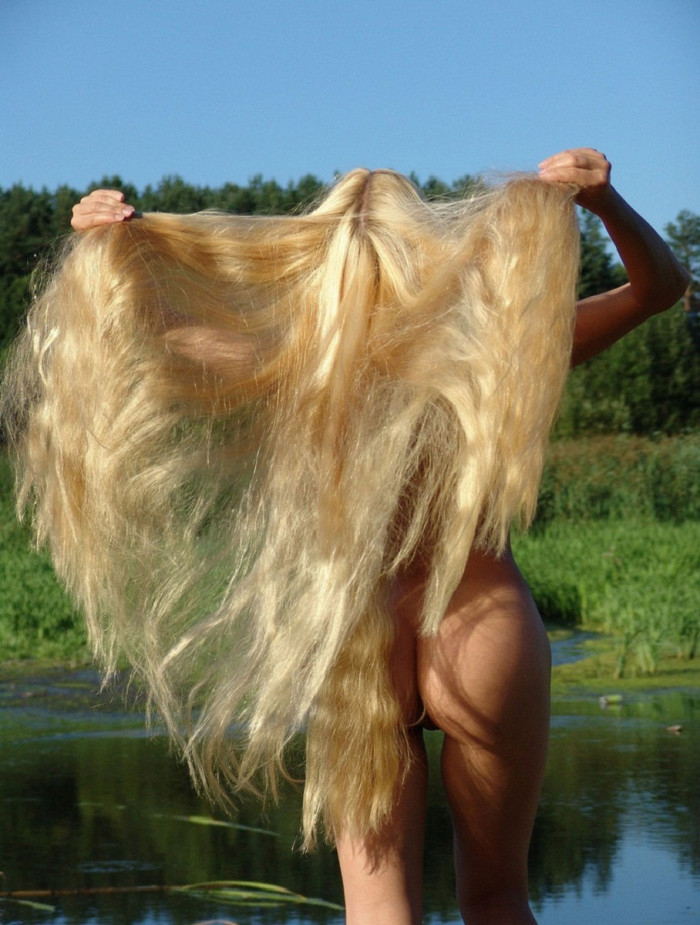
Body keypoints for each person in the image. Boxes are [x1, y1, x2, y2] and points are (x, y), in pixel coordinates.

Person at [8, 149, 688, 925]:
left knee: (377, 908)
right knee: (498, 899)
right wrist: (604, 204)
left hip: (357, 633)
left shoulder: (286, 363)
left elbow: (139, 322)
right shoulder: (493, 355)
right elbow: (661, 289)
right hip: (483, 624)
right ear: (424, 254)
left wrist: (108, 243)